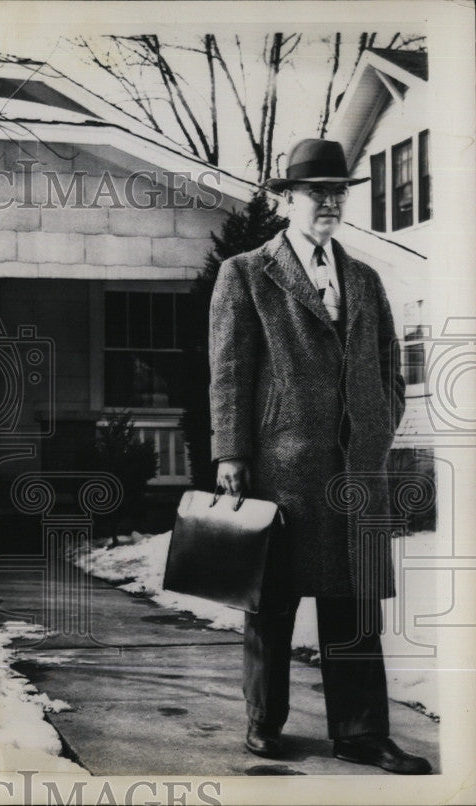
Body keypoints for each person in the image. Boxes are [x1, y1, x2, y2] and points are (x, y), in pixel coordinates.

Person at [208, 138, 432, 774]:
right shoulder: (248, 272)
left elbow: (390, 367)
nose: (330, 201)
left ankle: (361, 733)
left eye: (338, 191)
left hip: (356, 471)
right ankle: (264, 723)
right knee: (272, 600)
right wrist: (231, 451)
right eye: (316, 192)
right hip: (283, 465)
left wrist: (379, 427)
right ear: (287, 200)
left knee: (355, 602)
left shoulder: (363, 276)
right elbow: (229, 370)